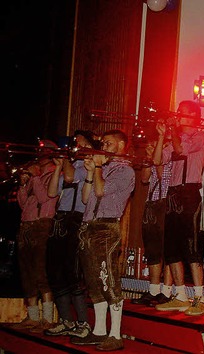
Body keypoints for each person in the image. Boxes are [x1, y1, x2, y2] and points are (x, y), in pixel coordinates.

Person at [72, 130, 135, 351]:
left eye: (108, 143)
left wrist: (97, 168)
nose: (103, 145)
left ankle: (115, 334)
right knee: (93, 282)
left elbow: (100, 192)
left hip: (106, 228)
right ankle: (99, 331)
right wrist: (91, 172)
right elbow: (86, 197)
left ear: (121, 144)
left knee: (108, 279)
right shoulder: (104, 168)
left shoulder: (125, 171)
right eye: (103, 142)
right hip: (89, 226)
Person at [154, 100, 204, 316]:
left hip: (189, 193)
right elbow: (158, 159)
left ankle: (199, 297)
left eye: (182, 113)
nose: (178, 115)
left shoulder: (199, 136)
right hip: (173, 193)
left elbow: (180, 149)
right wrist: (161, 136)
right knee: (171, 247)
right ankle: (180, 296)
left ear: (194, 116)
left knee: (190, 245)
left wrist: (171, 130)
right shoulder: (173, 137)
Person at [43, 131, 98, 338]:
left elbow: (70, 178)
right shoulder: (70, 165)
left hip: (77, 220)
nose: (76, 146)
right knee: (56, 272)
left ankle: (83, 323)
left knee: (73, 273)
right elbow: (51, 192)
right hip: (60, 219)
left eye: (81, 143)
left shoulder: (87, 165)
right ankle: (66, 320)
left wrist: (65, 161)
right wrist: (57, 166)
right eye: (75, 143)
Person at [12, 149, 58, 333]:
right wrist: (23, 185)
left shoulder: (54, 174)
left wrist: (36, 178)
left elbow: (44, 197)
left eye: (40, 157)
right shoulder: (35, 178)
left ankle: (47, 318)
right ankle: (32, 317)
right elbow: (23, 204)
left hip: (42, 225)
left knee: (40, 271)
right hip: (26, 225)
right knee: (26, 272)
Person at [131, 137, 173, 307]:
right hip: (152, 203)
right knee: (153, 248)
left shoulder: (169, 154)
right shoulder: (154, 156)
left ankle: (167, 291)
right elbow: (144, 179)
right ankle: (154, 289)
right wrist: (149, 160)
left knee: (168, 249)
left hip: (167, 203)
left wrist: (156, 159)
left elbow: (163, 175)